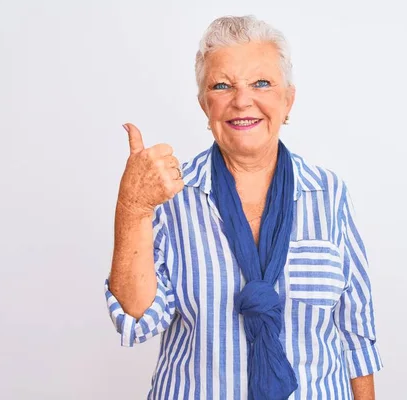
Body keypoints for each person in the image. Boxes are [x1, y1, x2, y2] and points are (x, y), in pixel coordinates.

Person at [105, 15, 382, 400]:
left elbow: (356, 333)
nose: (242, 100)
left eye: (262, 83)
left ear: (288, 100)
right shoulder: (170, 195)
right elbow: (136, 321)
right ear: (205, 105)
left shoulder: (328, 192)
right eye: (222, 85)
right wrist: (132, 206)